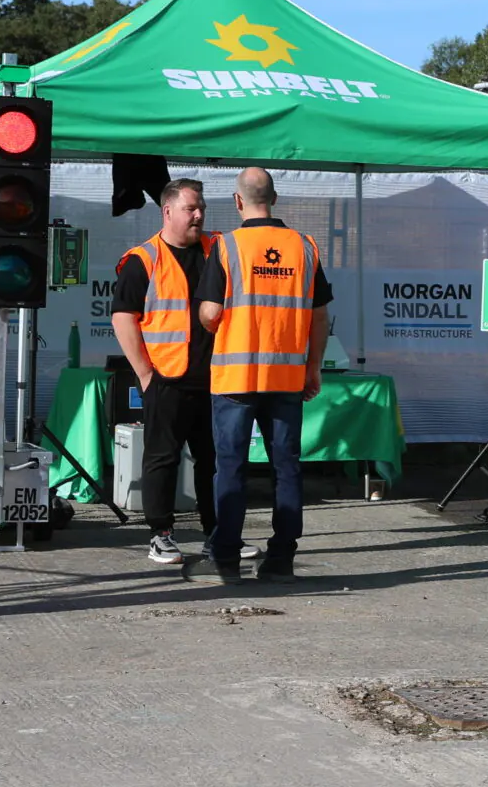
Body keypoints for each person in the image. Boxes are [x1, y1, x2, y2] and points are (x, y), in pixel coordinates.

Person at [196, 167, 331, 583]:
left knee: (231, 467)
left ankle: (225, 557)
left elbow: (211, 312)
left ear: (238, 202)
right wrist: (312, 368)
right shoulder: (305, 247)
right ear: (275, 198)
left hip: (236, 381)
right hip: (287, 378)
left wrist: (212, 321)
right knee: (286, 467)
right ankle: (281, 558)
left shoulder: (226, 246)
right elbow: (320, 316)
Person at [109, 177, 243, 567]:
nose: (199, 214)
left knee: (215, 460)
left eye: (201, 207)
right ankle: (161, 535)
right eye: (191, 208)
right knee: (162, 459)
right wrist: (145, 375)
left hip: (217, 378)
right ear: (168, 212)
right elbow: (122, 319)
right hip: (167, 379)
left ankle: (218, 535)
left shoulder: (217, 249)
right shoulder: (144, 260)